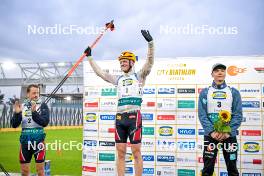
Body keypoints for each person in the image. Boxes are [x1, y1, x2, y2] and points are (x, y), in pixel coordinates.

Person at [84, 30, 154, 176]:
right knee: (121, 153)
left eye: (124, 61)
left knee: (136, 152)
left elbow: (150, 62)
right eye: (120, 62)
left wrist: (150, 44)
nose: (122, 64)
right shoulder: (118, 79)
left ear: (132, 62)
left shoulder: (140, 76)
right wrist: (90, 57)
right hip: (120, 118)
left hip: (134, 117)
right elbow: (100, 73)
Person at [198, 63, 242, 176]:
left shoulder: (233, 92)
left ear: (225, 73)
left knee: (232, 169)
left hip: (229, 136)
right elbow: (202, 114)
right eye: (217, 70)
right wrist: (212, 132)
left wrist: (228, 132)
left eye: (222, 70)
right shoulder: (205, 92)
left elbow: (237, 115)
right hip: (211, 136)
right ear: (212, 74)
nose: (220, 72)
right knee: (207, 169)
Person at [10, 84, 50, 176]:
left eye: (38, 93)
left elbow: (44, 123)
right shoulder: (22, 106)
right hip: (25, 143)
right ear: (28, 94)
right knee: (24, 171)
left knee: (40, 171)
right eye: (34, 93)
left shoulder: (43, 106)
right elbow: (14, 125)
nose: (36, 95)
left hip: (38, 143)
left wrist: (34, 112)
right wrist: (17, 113)